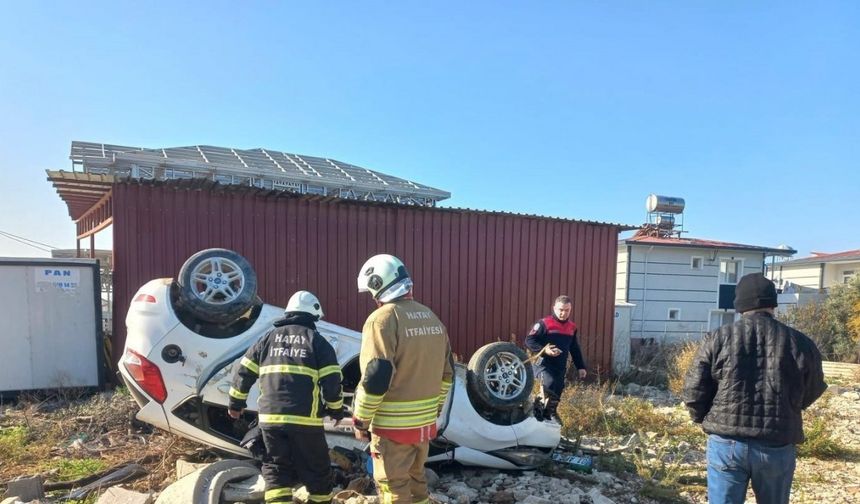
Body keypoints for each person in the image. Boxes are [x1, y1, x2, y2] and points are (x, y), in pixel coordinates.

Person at [683, 273, 827, 504]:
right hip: (777, 442)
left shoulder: (718, 338)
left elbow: (694, 389)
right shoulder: (800, 342)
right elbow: (814, 387)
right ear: (773, 304)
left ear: (740, 306)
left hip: (726, 442)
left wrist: (705, 418)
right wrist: (790, 408)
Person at [352, 254, 454, 504]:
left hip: (391, 428)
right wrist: (434, 410)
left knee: (393, 488)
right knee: (417, 482)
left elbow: (376, 377)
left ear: (377, 285)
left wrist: (361, 420)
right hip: (423, 427)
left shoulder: (381, 320)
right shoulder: (431, 317)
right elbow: (448, 373)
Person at [228, 290, 344, 504]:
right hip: (305, 422)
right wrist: (336, 410)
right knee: (317, 469)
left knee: (275, 468)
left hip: (270, 421)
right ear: (313, 316)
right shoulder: (317, 341)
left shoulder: (266, 340)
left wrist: (236, 403)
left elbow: (244, 372)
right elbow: (332, 382)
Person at [524, 294, 587, 423]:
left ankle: (548, 418)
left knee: (557, 392)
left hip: (560, 367)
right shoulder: (544, 323)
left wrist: (581, 366)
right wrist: (545, 350)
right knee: (549, 384)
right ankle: (536, 415)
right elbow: (529, 340)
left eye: (567, 310)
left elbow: (574, 348)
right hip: (543, 364)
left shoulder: (572, 327)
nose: (563, 313)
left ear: (571, 309)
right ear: (554, 308)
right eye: (560, 310)